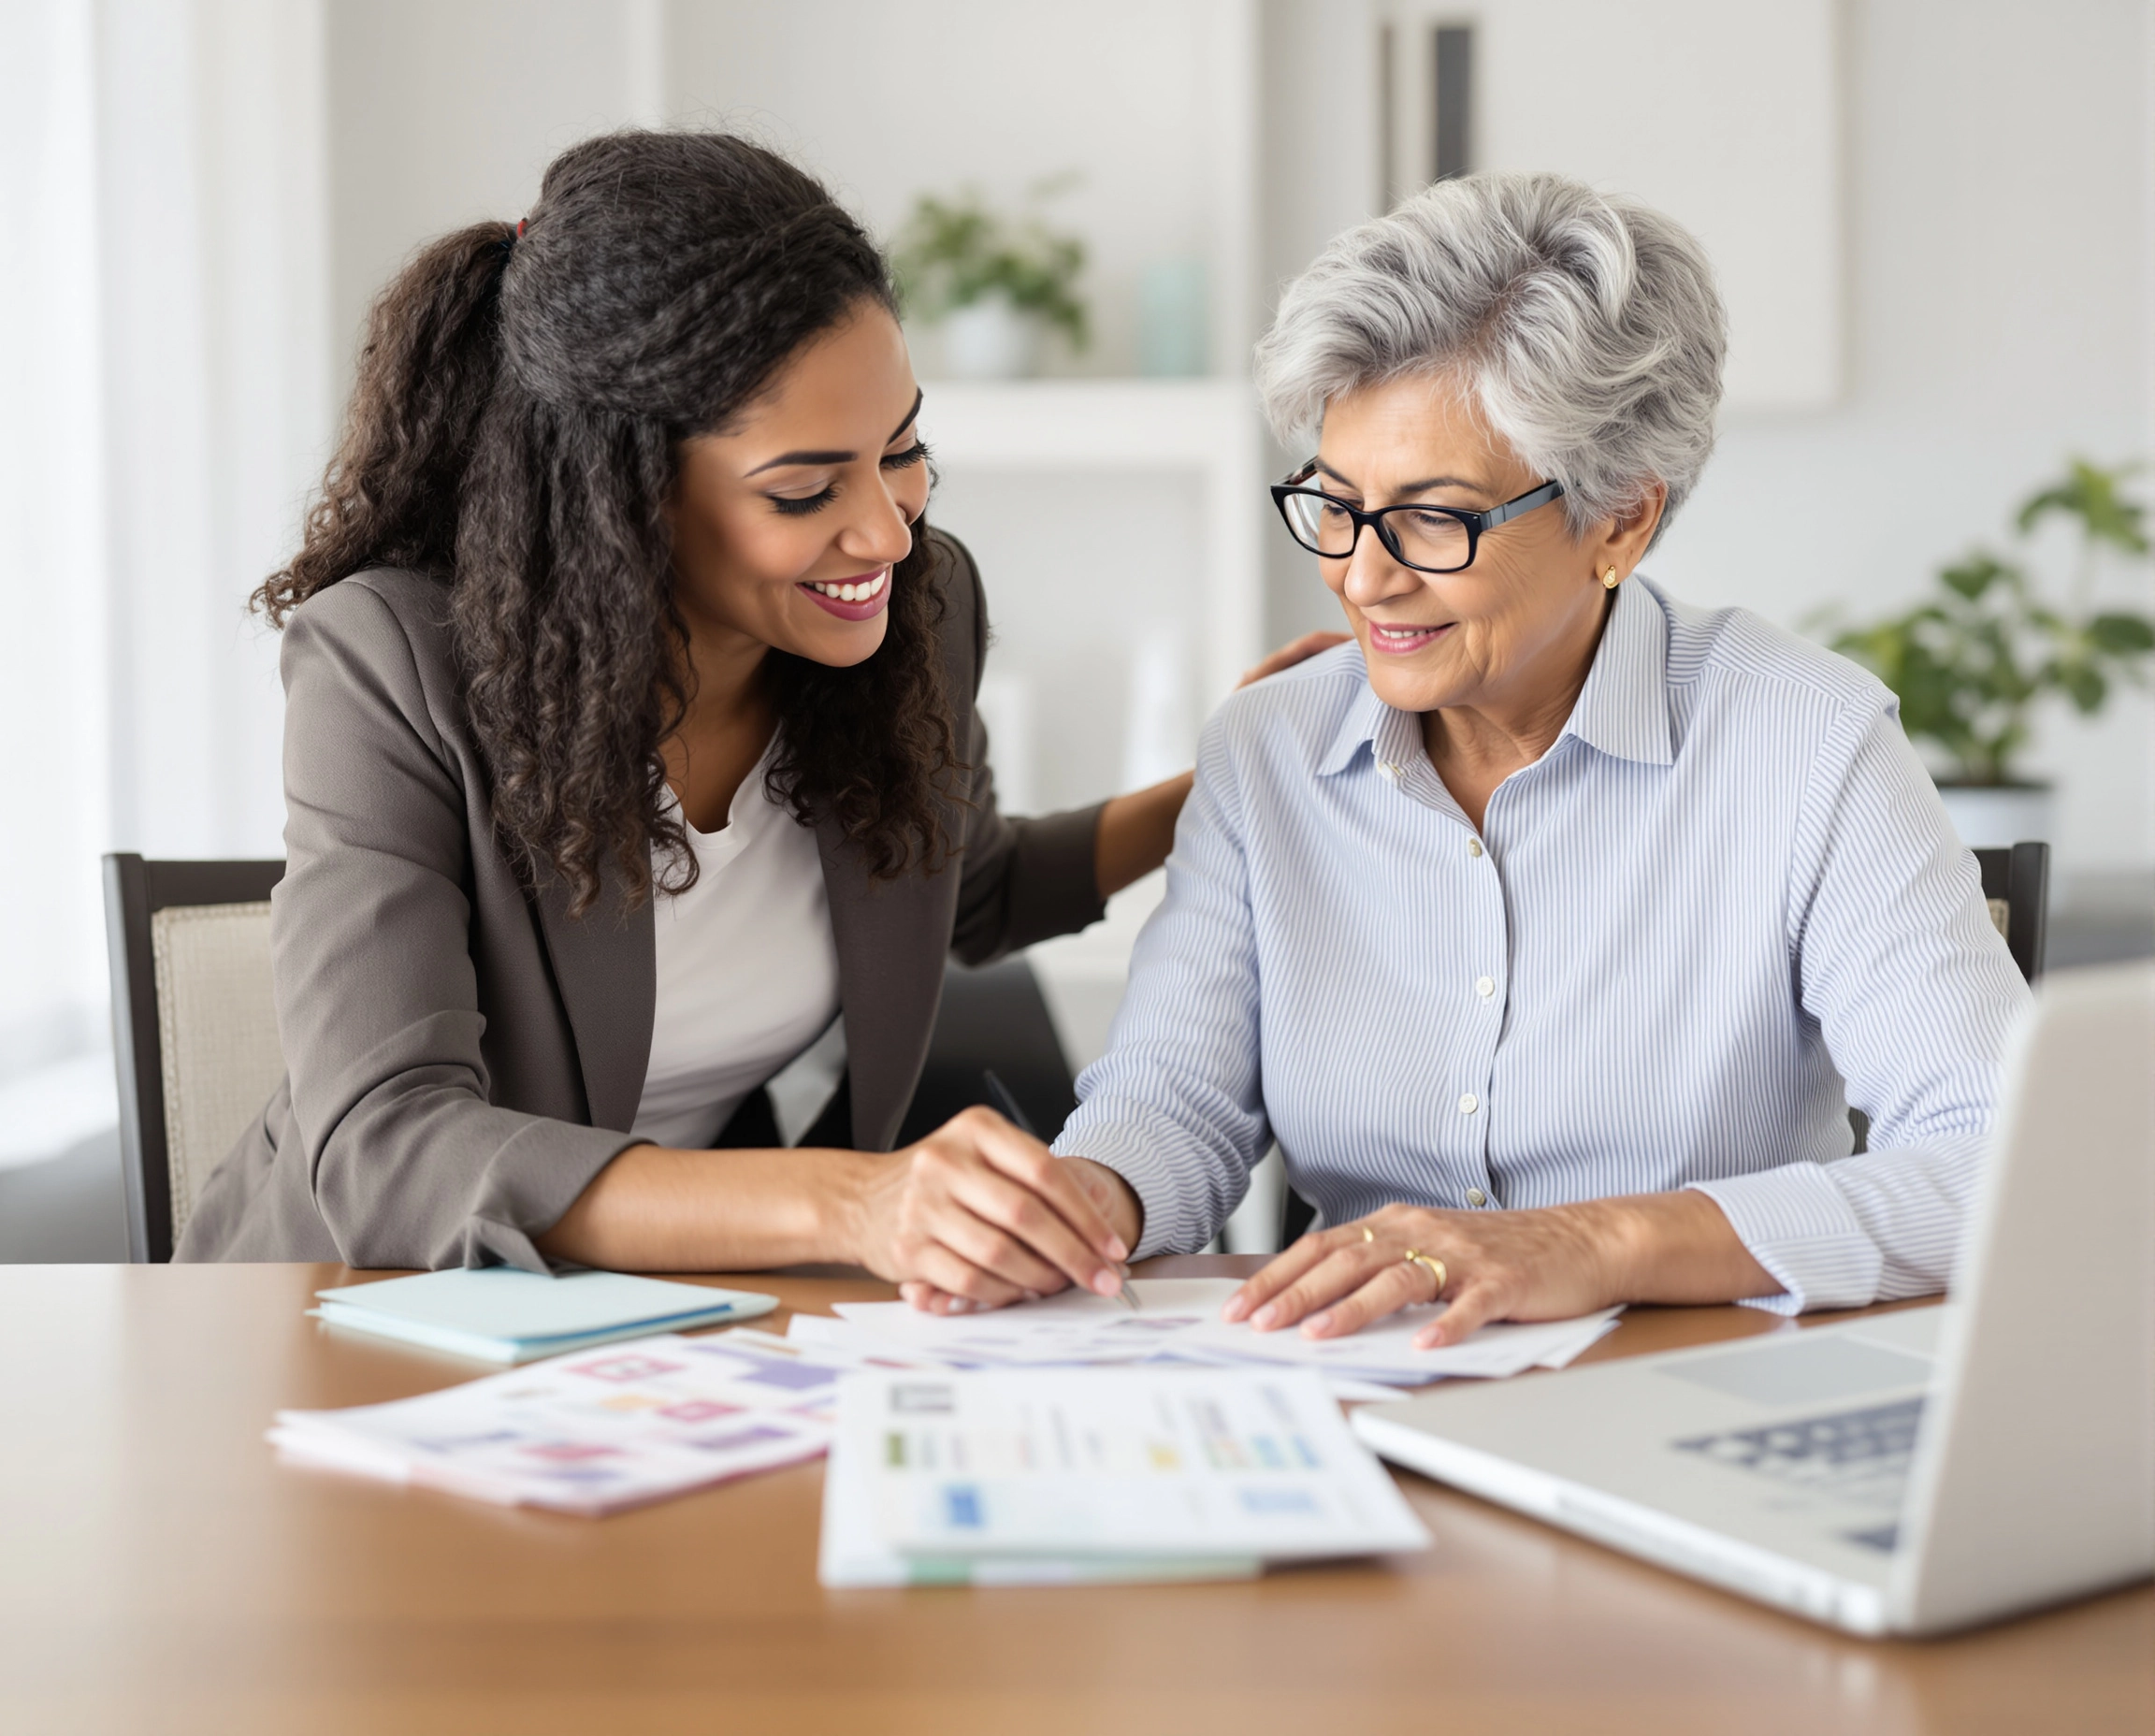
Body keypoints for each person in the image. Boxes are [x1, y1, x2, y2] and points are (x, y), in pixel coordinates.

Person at [176, 130, 1334, 1290]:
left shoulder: (916, 618)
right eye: (805, 488)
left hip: (669, 1317)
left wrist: (1234, 775)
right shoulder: (390, 662)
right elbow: (391, 1151)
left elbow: (959, 888)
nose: (888, 530)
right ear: (618, 498)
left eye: (905, 449)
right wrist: (852, 1201)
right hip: (341, 1313)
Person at [1035, 171, 2030, 1344]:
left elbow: (1993, 1163)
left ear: (1621, 519)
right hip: (1359, 1392)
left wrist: (1595, 1241)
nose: (1364, 576)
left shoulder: (1808, 745)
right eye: (1337, 504)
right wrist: (1081, 1202)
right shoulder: (1268, 751)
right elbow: (1173, 1102)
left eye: (1433, 518)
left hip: (1686, 1388)